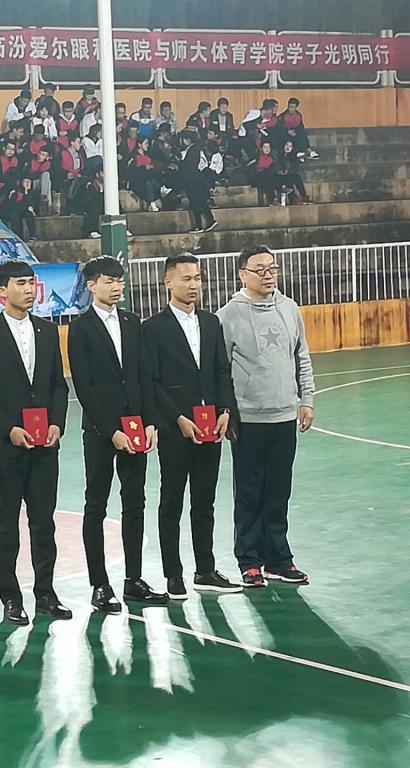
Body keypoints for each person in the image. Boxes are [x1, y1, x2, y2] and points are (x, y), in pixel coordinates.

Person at [0, 261, 71, 625]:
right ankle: (10, 597)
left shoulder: (47, 331)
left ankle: (46, 592)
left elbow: (58, 384)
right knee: (6, 523)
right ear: (2, 291)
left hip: (45, 446)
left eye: (31, 283)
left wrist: (57, 423)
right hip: (7, 448)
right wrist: (8, 428)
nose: (29, 289)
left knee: (44, 522)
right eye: (21, 283)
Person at [68, 257, 167, 613]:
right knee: (96, 505)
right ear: (92, 285)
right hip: (100, 432)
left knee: (135, 502)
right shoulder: (80, 329)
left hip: (135, 427)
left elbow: (144, 374)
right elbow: (84, 386)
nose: (116, 287)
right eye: (109, 281)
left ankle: (133, 579)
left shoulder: (131, 322)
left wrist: (150, 421)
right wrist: (111, 430)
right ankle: (99, 584)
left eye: (119, 281)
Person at [142, 254, 242, 600]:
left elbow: (221, 371)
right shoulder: (153, 328)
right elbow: (151, 381)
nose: (194, 284)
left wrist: (225, 410)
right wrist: (178, 418)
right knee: (171, 502)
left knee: (205, 502)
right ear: (168, 282)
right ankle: (173, 574)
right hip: (176, 430)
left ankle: (205, 569)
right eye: (186, 278)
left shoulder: (211, 323)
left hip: (211, 426)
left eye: (197, 278)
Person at [216, 245, 315, 588]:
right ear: (242, 274)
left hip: (284, 415)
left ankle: (279, 559)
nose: (268, 275)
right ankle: (249, 561)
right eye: (259, 270)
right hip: (248, 420)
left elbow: (302, 356)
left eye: (272, 268)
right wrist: (227, 411)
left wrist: (306, 400)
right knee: (249, 492)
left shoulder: (289, 308)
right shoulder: (228, 315)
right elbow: (220, 370)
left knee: (278, 491)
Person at [179, 130, 216, 233]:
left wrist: (179, 162)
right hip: (193, 178)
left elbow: (190, 165)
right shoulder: (194, 149)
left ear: (187, 139)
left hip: (192, 179)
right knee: (199, 201)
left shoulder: (193, 149)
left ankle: (199, 225)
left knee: (195, 202)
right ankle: (210, 220)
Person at [0, 175, 39, 242]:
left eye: (29, 182)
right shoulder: (14, 192)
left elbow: (30, 204)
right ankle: (17, 236)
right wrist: (24, 207)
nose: (27, 184)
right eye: (26, 182)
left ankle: (32, 235)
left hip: (23, 210)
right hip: (14, 211)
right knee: (15, 214)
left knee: (29, 214)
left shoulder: (31, 193)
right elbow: (12, 205)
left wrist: (26, 193)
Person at [128, 136, 161, 212]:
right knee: (147, 181)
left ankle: (160, 189)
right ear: (139, 144)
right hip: (139, 182)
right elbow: (133, 172)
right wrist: (144, 167)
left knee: (150, 179)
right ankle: (152, 202)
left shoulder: (148, 156)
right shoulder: (134, 157)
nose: (147, 145)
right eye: (145, 143)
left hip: (149, 178)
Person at [248, 141, 282, 205]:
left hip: (268, 178)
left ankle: (275, 197)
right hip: (257, 178)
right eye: (265, 147)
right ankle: (272, 198)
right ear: (261, 148)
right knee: (269, 174)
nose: (267, 149)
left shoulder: (272, 158)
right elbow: (249, 167)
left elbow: (278, 168)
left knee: (272, 175)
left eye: (269, 147)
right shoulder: (257, 156)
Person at [278, 140, 312, 205]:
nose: (288, 148)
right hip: (280, 176)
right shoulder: (279, 155)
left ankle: (303, 196)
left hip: (289, 176)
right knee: (288, 179)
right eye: (286, 145)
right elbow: (279, 167)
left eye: (290, 146)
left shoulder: (293, 156)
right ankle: (293, 198)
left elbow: (294, 169)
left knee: (296, 177)